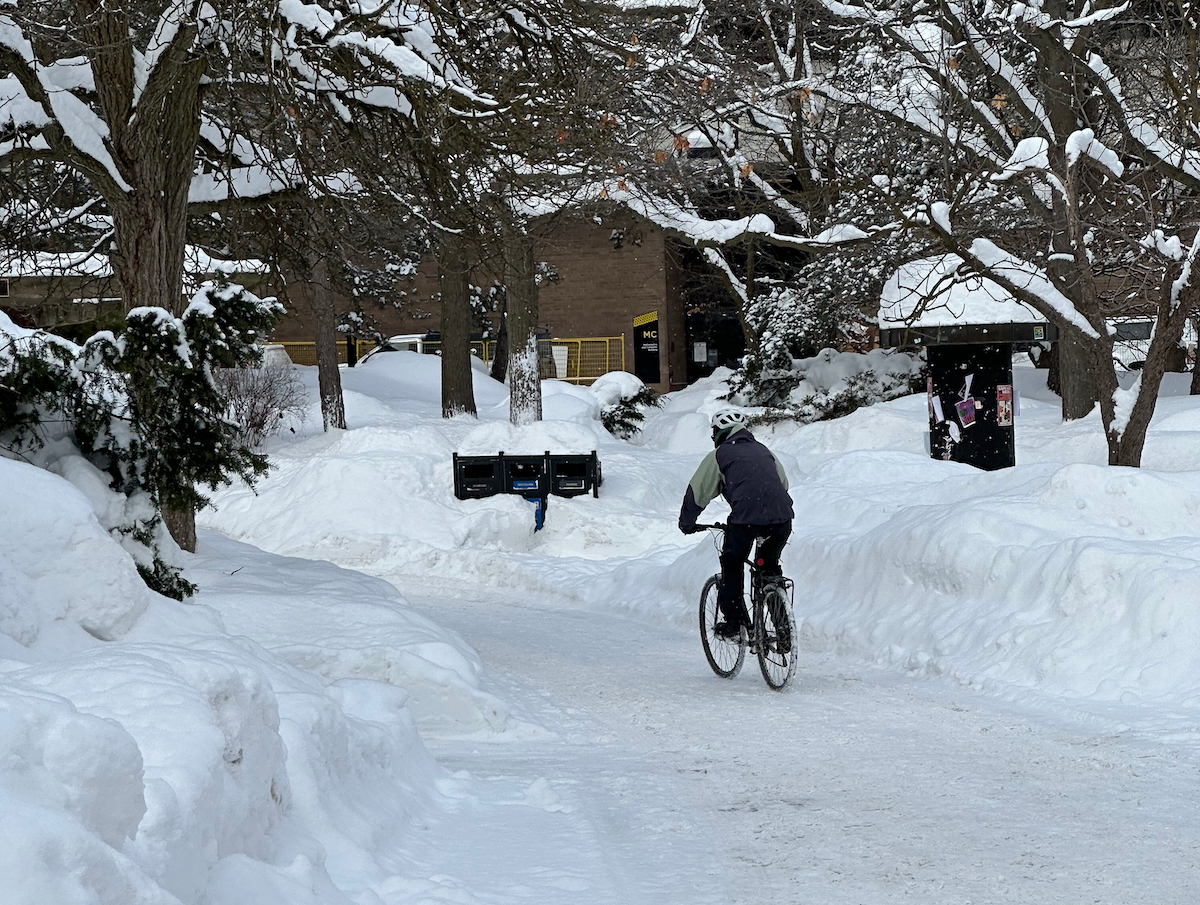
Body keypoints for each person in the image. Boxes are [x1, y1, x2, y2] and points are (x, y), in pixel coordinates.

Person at [678, 408, 794, 638]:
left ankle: (735, 623)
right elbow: (783, 484)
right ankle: (783, 629)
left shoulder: (720, 455)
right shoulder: (764, 450)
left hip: (746, 521)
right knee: (768, 567)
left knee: (732, 562)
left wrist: (687, 523)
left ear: (720, 432)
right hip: (782, 519)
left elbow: (697, 491)